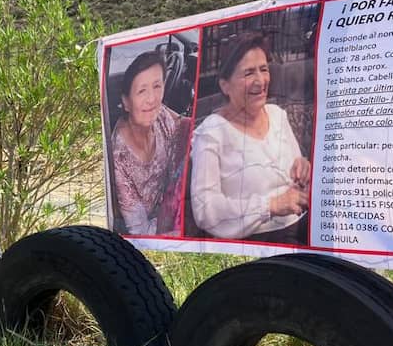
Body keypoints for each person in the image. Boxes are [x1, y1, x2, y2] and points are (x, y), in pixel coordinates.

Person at [190, 32, 311, 243]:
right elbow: (205, 209)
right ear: (225, 85)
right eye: (248, 73)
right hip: (258, 243)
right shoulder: (211, 133)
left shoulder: (277, 115)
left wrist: (303, 167)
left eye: (263, 69)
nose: (260, 81)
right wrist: (270, 206)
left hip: (303, 226)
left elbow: (297, 174)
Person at [111, 51, 192, 236]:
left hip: (170, 205)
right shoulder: (119, 159)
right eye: (141, 91)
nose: (152, 99)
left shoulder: (160, 114)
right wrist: (175, 217)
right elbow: (141, 231)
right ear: (125, 102)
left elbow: (185, 126)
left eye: (157, 86)